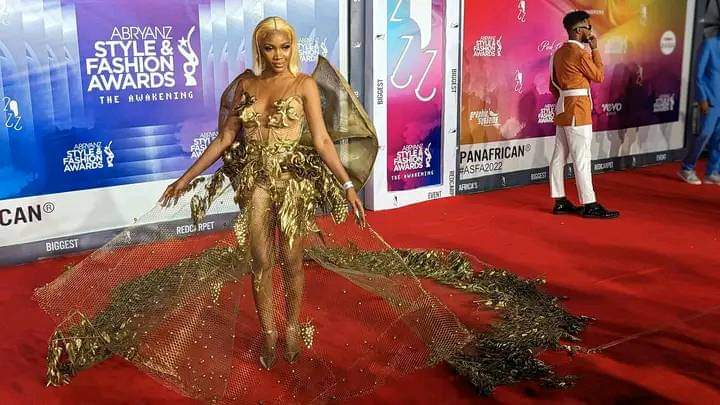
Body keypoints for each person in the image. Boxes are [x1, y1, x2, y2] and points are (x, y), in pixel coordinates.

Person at [34, 17, 588, 403]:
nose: (276, 53)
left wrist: (347, 186)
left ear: (291, 47)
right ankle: (269, 332)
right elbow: (224, 139)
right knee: (258, 261)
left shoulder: (303, 86)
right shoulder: (243, 85)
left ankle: (295, 325)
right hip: (254, 184)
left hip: (294, 185)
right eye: (268, 46)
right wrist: (184, 178)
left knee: (293, 261)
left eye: (283, 46)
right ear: (258, 48)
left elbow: (322, 141)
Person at [549, 11, 619, 219]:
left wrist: (565, 97)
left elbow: (552, 86)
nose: (590, 31)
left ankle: (560, 200)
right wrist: (595, 49)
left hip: (563, 107)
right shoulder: (579, 53)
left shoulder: (558, 53)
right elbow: (598, 75)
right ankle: (590, 204)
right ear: (579, 30)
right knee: (582, 157)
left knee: (559, 156)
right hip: (577, 110)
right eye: (588, 27)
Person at [679, 35, 720, 185]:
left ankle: (712, 172)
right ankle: (687, 168)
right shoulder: (709, 44)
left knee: (719, 139)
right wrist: (702, 99)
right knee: (704, 134)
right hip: (710, 101)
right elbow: (698, 75)